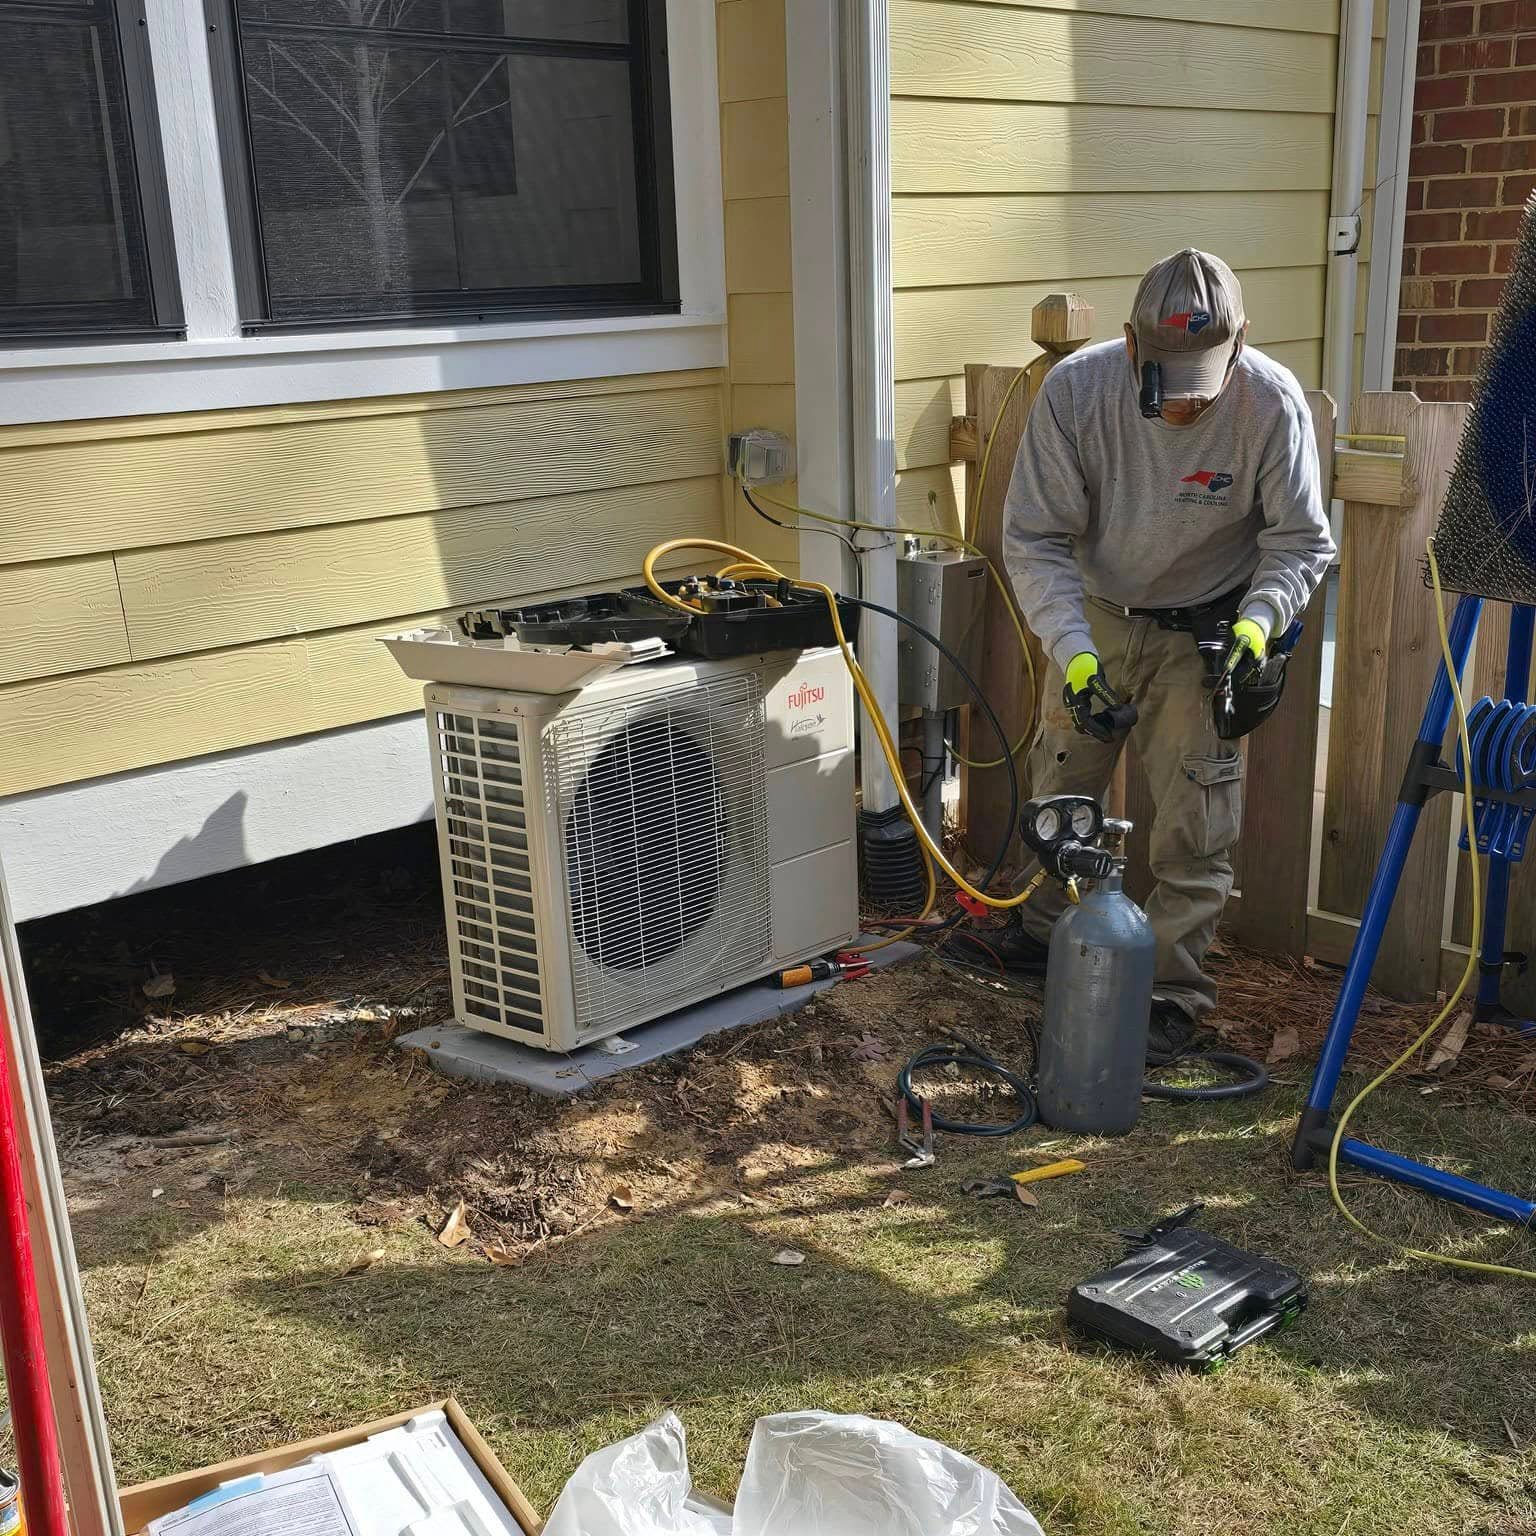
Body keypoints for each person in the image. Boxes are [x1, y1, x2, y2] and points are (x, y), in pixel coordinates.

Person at [995, 248, 1335, 1059]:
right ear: (1130, 340)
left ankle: (1171, 993)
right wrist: (1073, 653)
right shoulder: (1076, 393)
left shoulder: (1271, 404)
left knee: (1194, 821)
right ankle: (1047, 937)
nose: (1181, 407)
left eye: (1199, 383)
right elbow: (1035, 537)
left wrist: (1258, 625)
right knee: (1062, 781)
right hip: (1100, 615)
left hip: (1207, 632)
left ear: (1241, 341)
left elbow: (1298, 543)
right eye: (1165, 380)